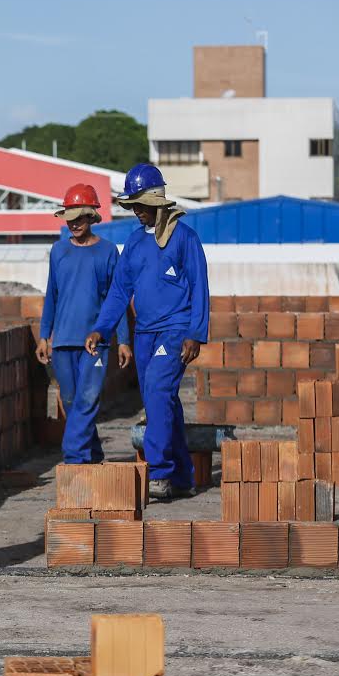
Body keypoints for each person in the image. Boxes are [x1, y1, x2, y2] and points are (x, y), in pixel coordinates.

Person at [84, 164, 209, 500]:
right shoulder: (135, 244)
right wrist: (101, 329)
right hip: (145, 334)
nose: (136, 212)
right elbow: (119, 292)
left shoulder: (184, 238)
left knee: (156, 389)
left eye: (140, 205)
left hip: (175, 330)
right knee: (163, 401)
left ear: (156, 201)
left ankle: (160, 472)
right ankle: (184, 477)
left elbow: (200, 288)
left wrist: (195, 333)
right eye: (133, 206)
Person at [37, 184, 131, 464]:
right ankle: (94, 453)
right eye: (70, 217)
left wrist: (123, 340)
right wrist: (44, 335)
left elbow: (118, 298)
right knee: (70, 402)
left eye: (80, 217)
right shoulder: (58, 251)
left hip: (95, 342)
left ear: (92, 217)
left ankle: (74, 459)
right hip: (63, 341)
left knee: (87, 401)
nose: (74, 223)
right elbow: (51, 294)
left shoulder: (108, 252)